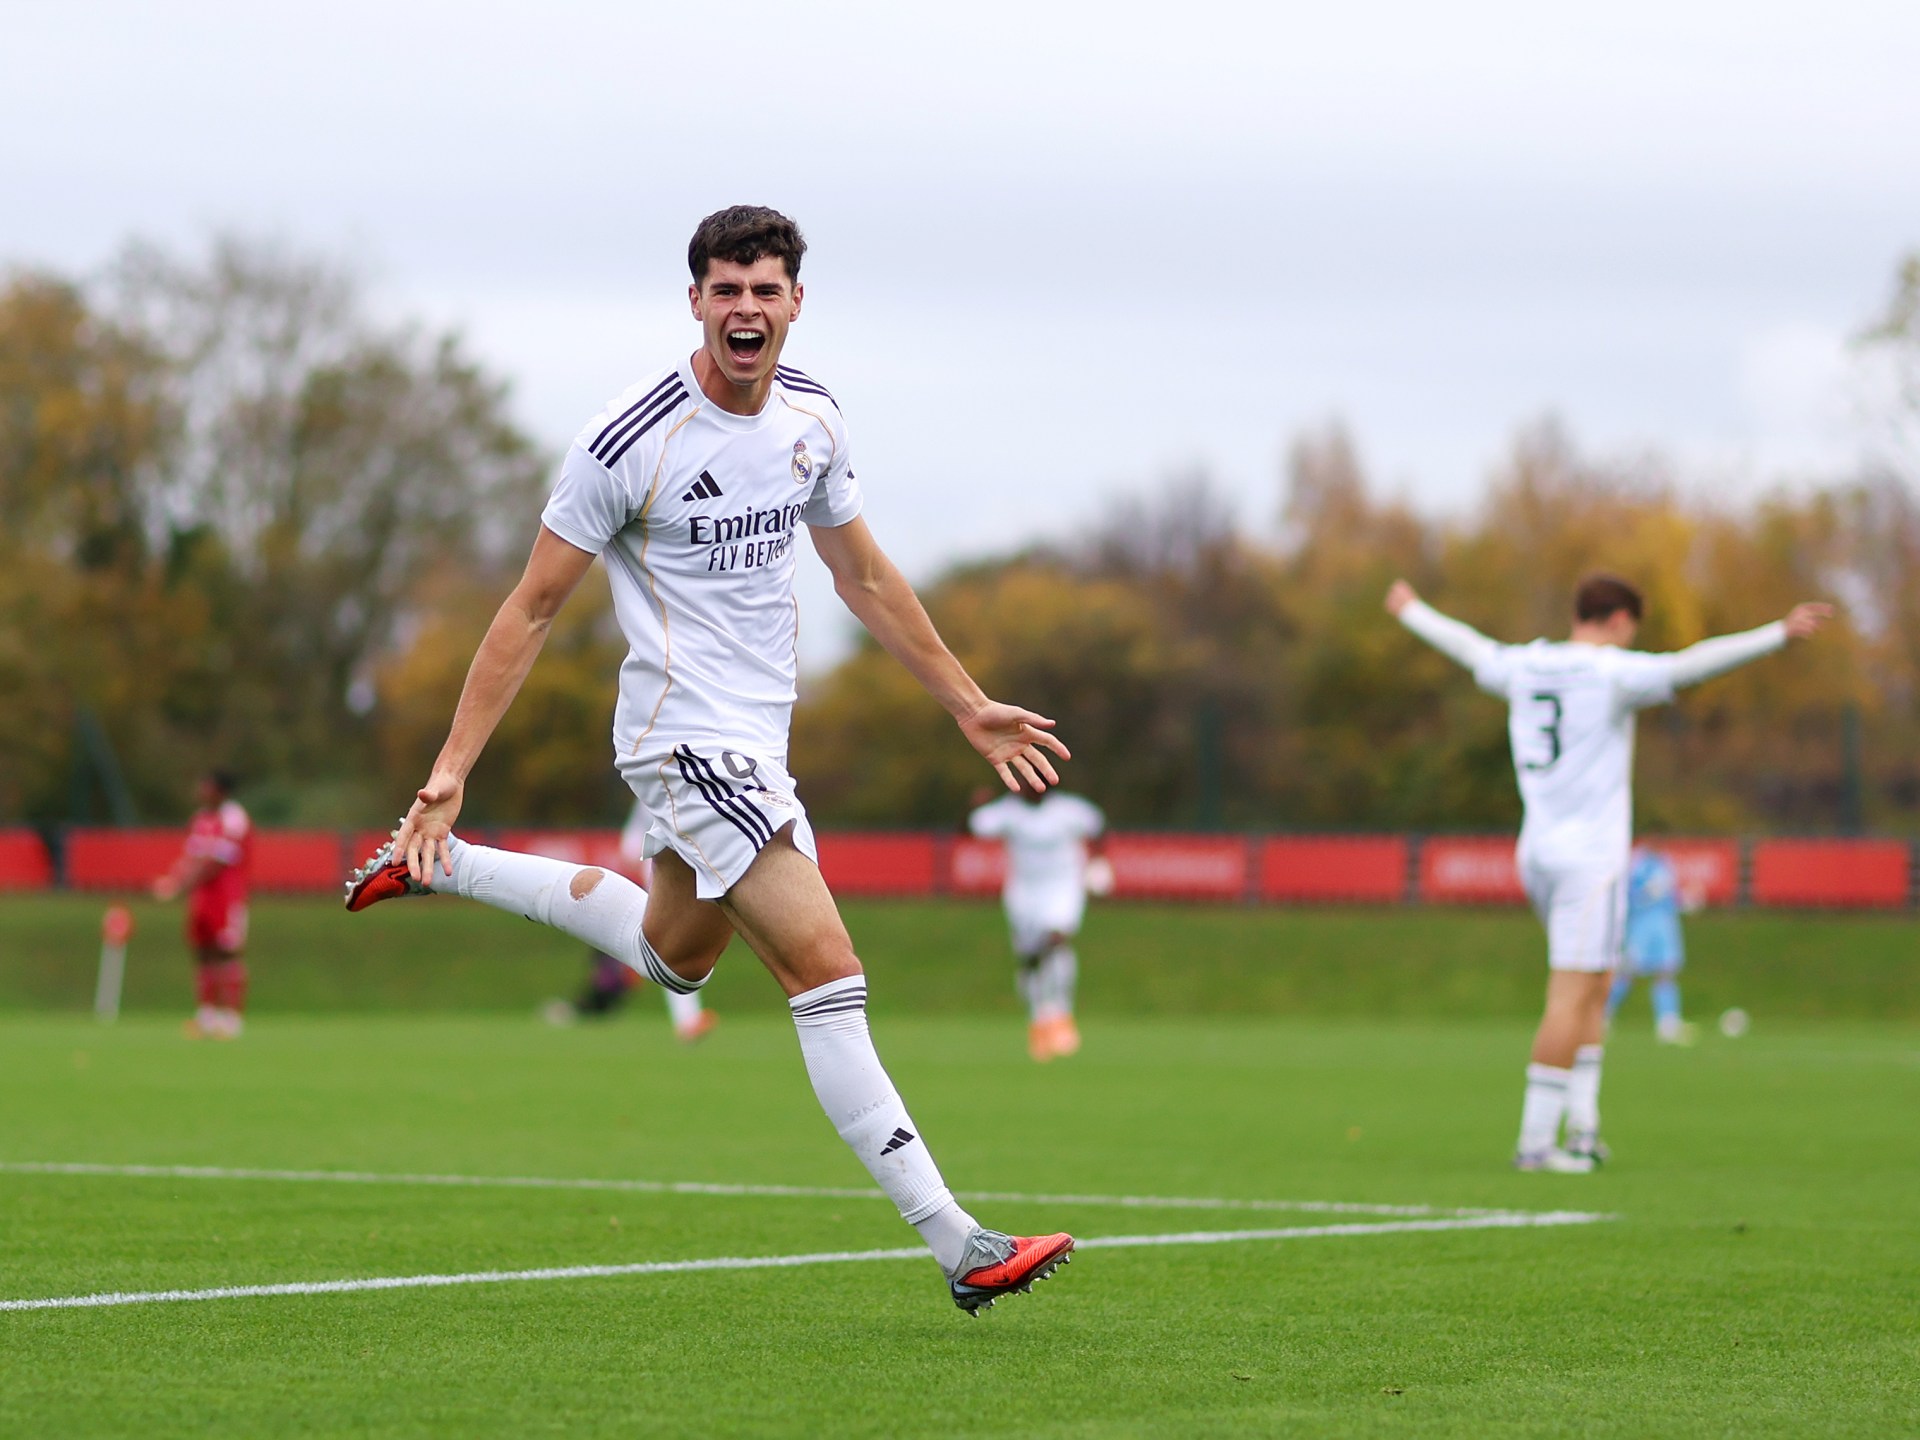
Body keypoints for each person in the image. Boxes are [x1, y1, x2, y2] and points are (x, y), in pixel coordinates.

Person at [346, 206, 1074, 1313]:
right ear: (695, 301)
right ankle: (961, 1244)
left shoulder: (814, 422)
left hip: (755, 749)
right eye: (725, 290)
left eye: (765, 290)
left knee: (674, 959)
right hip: (684, 743)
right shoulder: (630, 438)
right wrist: (450, 767)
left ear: (794, 304)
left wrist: (968, 705)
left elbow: (865, 578)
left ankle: (443, 867)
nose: (746, 310)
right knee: (829, 978)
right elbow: (532, 607)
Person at [1387, 574, 1830, 1172]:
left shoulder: (1524, 665)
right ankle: (1536, 1145)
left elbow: (1467, 646)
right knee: (1570, 995)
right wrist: (1776, 634)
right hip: (1588, 860)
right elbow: (1691, 666)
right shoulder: (1611, 673)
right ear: (1619, 620)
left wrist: (1413, 611)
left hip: (1538, 851)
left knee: (1596, 985)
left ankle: (1585, 1128)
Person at [545, 799, 718, 1041]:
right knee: (673, 950)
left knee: (673, 950)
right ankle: (684, 1017)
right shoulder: (660, 791)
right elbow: (632, 846)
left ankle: (684, 1016)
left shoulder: (665, 786)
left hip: (663, 883)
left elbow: (630, 844)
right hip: (658, 885)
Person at [968, 778, 1109, 1061]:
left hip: (1063, 887)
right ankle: (1039, 1020)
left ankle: (1062, 1014)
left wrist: (1098, 864)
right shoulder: (1009, 811)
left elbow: (1098, 827)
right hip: (1024, 892)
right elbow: (974, 827)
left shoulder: (1069, 810)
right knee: (1032, 958)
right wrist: (977, 804)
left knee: (1056, 938)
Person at [151, 769, 252, 1039]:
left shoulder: (234, 818)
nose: (201, 791)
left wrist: (179, 885)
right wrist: (173, 878)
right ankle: (207, 1018)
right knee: (203, 952)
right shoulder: (200, 820)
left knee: (227, 952)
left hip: (226, 897)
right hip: (202, 898)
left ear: (220, 791)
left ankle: (231, 1020)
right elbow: (191, 857)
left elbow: (217, 863)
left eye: (206, 786)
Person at [1607, 842, 1698, 1045]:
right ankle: (1602, 1017)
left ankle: (1667, 1024)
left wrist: (1686, 901)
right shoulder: (1636, 861)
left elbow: (1670, 896)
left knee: (1666, 970)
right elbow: (1626, 895)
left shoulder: (1666, 862)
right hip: (1641, 924)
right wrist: (1645, 895)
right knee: (1628, 972)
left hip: (1664, 924)